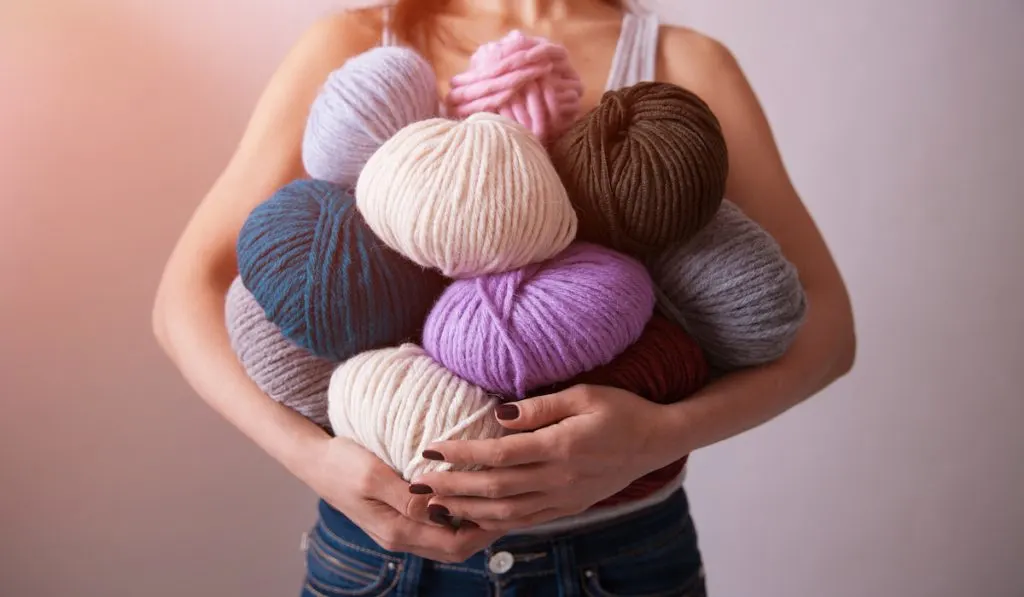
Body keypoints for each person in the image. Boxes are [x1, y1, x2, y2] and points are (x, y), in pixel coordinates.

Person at [152, 0, 856, 594]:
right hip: (382, 559)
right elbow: (186, 296)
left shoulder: (680, 62)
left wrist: (657, 435)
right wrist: (312, 457)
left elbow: (827, 330)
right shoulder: (365, 41)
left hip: (621, 557)